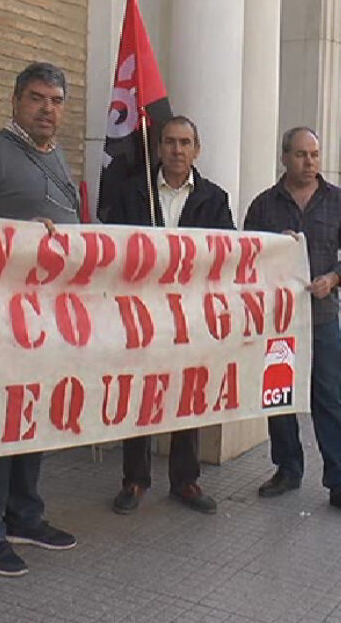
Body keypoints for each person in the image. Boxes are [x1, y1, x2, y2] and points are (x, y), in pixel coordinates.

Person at [0, 62, 79, 577]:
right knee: (0, 425)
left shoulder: (57, 156)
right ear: (16, 100)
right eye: (37, 98)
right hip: (1, 320)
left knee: (34, 419)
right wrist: (16, 235)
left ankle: (25, 515)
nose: (48, 109)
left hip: (48, 318)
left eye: (56, 101)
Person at [100, 116, 234, 516]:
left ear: (197, 150)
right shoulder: (131, 192)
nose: (177, 150)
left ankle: (185, 481)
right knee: (138, 394)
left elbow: (227, 254)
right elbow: (111, 248)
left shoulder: (214, 198)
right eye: (170, 142)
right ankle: (135, 480)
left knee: (187, 395)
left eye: (185, 142)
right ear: (158, 148)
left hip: (189, 317)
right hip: (140, 315)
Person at [243, 126, 341, 524]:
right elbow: (246, 255)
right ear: (285, 157)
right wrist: (273, 249)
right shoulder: (264, 206)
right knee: (280, 397)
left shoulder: (337, 202)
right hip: (279, 321)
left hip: (322, 319)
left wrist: (334, 277)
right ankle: (287, 468)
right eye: (301, 155)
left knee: (328, 399)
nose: (309, 162)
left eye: (315, 155)